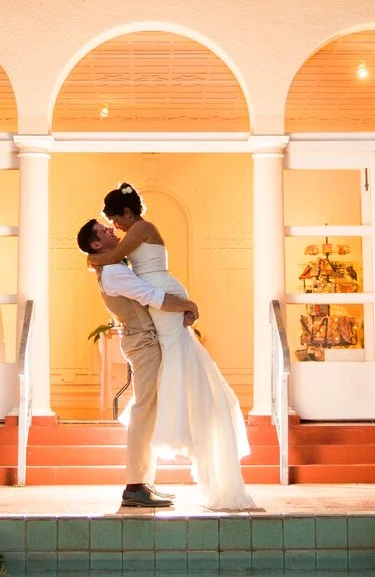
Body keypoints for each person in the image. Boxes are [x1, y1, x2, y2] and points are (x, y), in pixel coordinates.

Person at [80, 183, 259, 513]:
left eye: (113, 221)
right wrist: (186, 303)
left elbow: (130, 271)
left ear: (129, 213)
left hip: (156, 323)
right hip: (149, 330)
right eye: (105, 228)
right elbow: (147, 293)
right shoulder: (115, 269)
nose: (113, 227)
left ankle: (142, 482)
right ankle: (136, 485)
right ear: (95, 243)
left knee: (151, 403)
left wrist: (94, 259)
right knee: (146, 407)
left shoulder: (136, 237)